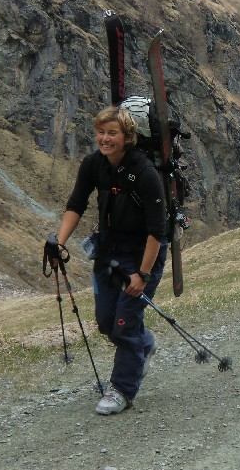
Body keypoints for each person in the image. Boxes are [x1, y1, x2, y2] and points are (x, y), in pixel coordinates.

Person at [53, 106, 168, 415]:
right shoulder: (93, 164)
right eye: (101, 132)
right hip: (109, 250)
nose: (105, 139)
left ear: (127, 137)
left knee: (124, 323)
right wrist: (58, 243)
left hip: (143, 253)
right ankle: (144, 344)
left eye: (112, 133)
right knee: (106, 322)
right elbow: (76, 204)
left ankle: (122, 390)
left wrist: (143, 274)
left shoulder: (144, 172)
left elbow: (157, 231)